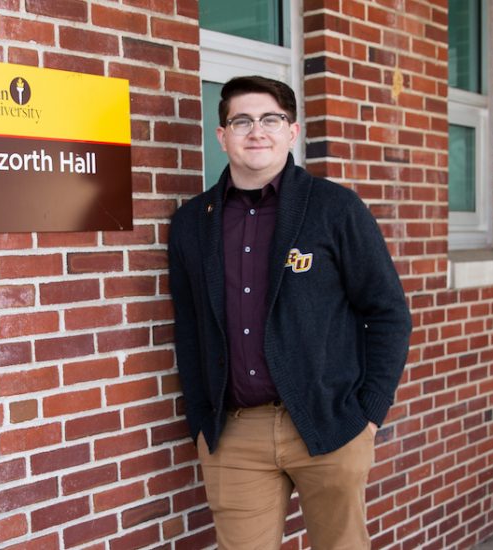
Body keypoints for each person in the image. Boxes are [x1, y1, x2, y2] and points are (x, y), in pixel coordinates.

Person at [167, 76, 412, 549]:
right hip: (235, 434)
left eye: (270, 119)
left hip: (331, 422)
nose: (256, 131)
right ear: (222, 136)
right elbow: (190, 328)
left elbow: (387, 313)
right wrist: (201, 419)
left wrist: (369, 415)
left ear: (292, 131)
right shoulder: (192, 224)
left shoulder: (335, 208)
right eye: (241, 121)